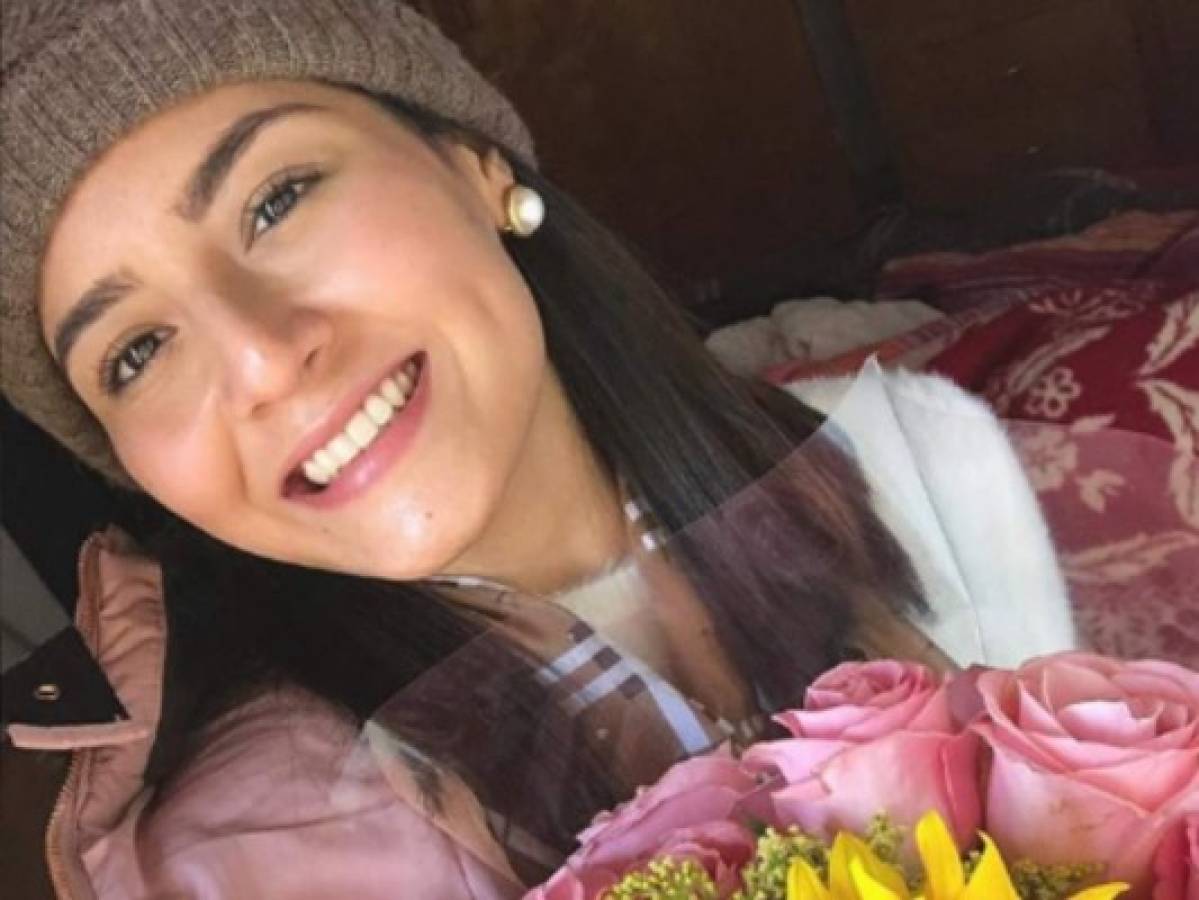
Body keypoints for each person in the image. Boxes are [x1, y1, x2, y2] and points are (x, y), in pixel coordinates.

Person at [1, 2, 1076, 896]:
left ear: (472, 163)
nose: (263, 362)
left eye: (275, 200)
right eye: (137, 351)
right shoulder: (268, 854)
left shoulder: (924, 460)